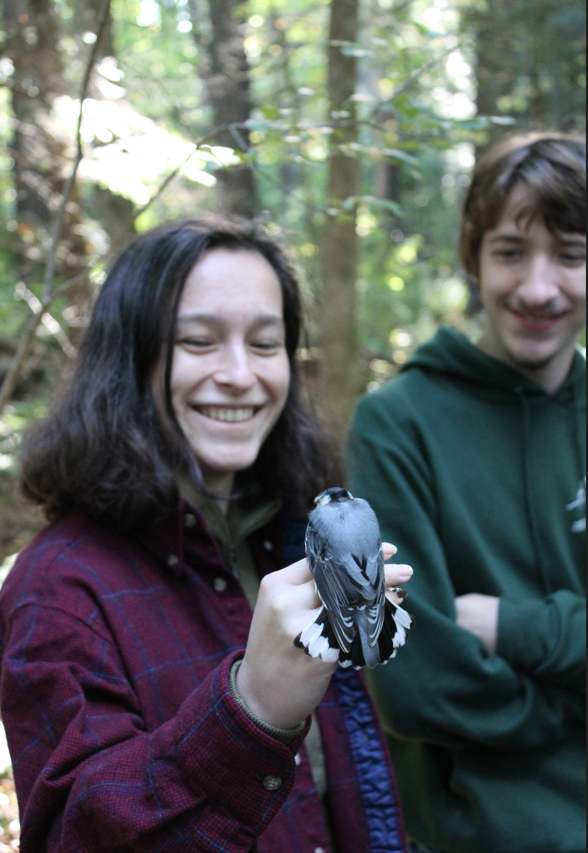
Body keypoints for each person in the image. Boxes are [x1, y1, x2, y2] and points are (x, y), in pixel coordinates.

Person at [0, 217, 414, 853]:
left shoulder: (294, 536)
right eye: (198, 341)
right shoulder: (56, 590)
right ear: (131, 357)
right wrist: (252, 709)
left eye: (266, 342)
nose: (240, 374)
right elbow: (72, 838)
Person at [347, 134, 586, 853]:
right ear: (474, 258)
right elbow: (410, 681)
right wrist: (575, 700)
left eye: (570, 254)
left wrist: (515, 628)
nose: (537, 287)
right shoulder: (389, 425)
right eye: (511, 252)